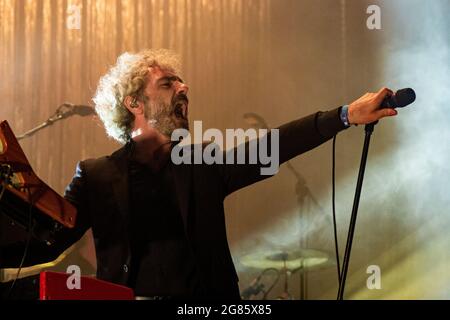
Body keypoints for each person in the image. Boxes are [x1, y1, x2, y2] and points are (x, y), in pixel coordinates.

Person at [0, 49, 398, 299]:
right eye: (168, 82)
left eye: (180, 80)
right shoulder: (96, 175)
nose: (183, 86)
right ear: (134, 101)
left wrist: (344, 116)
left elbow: (273, 147)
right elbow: (47, 241)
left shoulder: (202, 163)